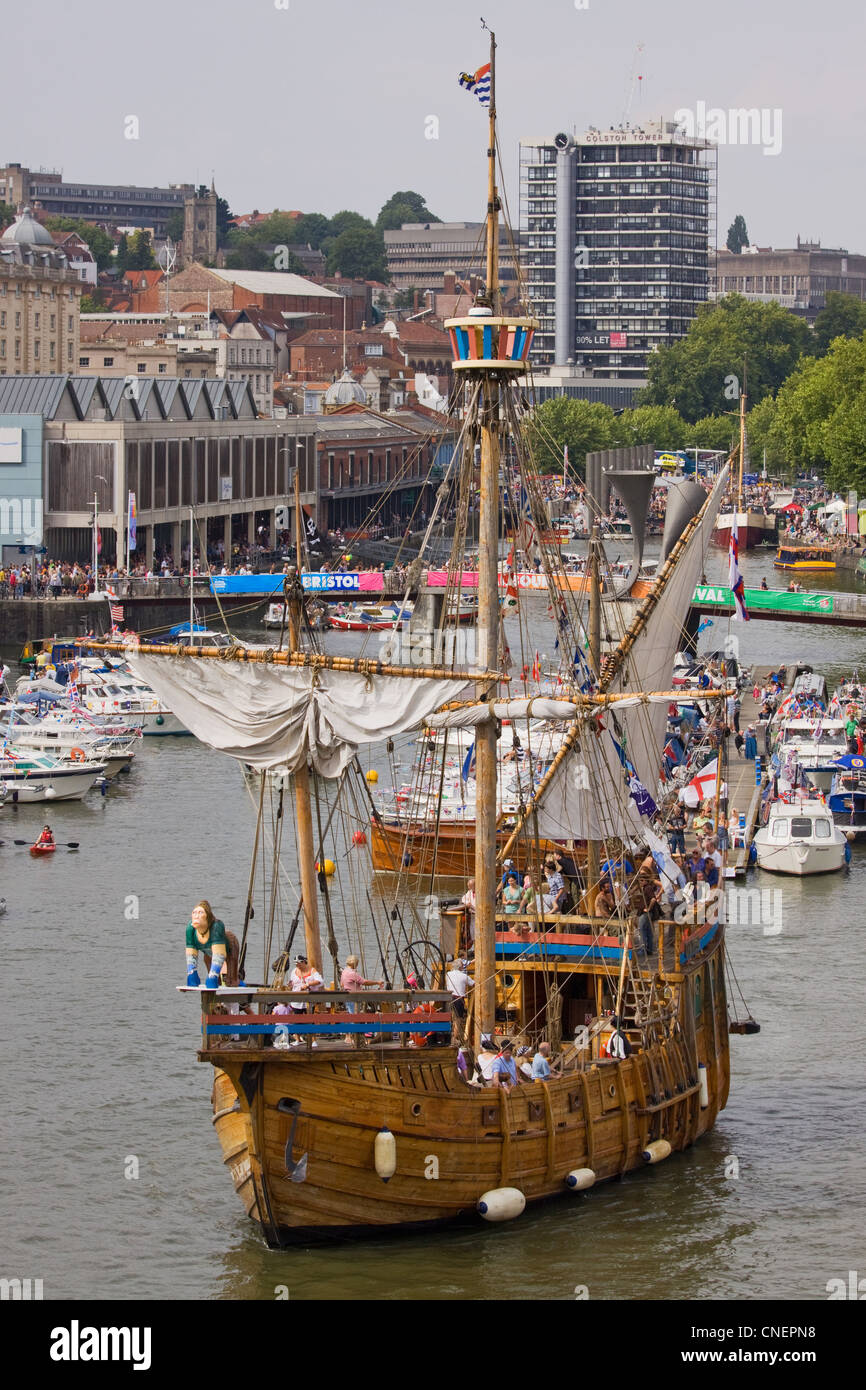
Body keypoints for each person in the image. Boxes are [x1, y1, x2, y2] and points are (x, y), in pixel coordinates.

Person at [340, 955, 383, 1045]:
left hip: (347, 996)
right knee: (354, 1017)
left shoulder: (344, 972)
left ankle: (349, 1037)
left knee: (350, 1016)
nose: (357, 965)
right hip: (353, 998)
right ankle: (354, 1037)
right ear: (354, 963)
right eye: (357, 963)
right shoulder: (351, 973)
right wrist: (377, 982)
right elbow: (364, 982)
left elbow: (341, 984)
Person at [185, 900, 227, 988]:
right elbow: (191, 953)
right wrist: (191, 974)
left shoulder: (217, 926)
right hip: (208, 954)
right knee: (193, 976)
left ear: (207, 917)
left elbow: (219, 954)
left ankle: (216, 978)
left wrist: (213, 976)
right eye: (194, 913)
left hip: (225, 951)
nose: (196, 916)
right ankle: (194, 978)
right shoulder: (190, 928)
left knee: (218, 978)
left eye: (200, 913)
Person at [289, 953, 324, 1047]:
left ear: (304, 962)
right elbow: (292, 982)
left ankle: (313, 1040)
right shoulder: (294, 971)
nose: (298, 966)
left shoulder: (312, 970)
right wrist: (291, 985)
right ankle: (297, 1039)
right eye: (296, 964)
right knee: (297, 1020)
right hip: (297, 1000)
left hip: (309, 1000)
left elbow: (320, 981)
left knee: (310, 1020)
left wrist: (308, 984)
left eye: (299, 964)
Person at [445, 957, 474, 1033]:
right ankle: (455, 1037)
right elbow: (473, 983)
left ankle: (450, 1036)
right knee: (458, 1019)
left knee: (451, 1018)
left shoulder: (448, 974)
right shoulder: (464, 976)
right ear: (461, 967)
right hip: (459, 1000)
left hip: (449, 998)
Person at [460, 877, 477, 943]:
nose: (469, 887)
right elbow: (463, 899)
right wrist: (467, 904)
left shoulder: (480, 892)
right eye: (468, 886)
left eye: (470, 886)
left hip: (478, 915)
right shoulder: (469, 892)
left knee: (477, 933)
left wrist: (473, 907)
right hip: (471, 915)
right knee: (472, 932)